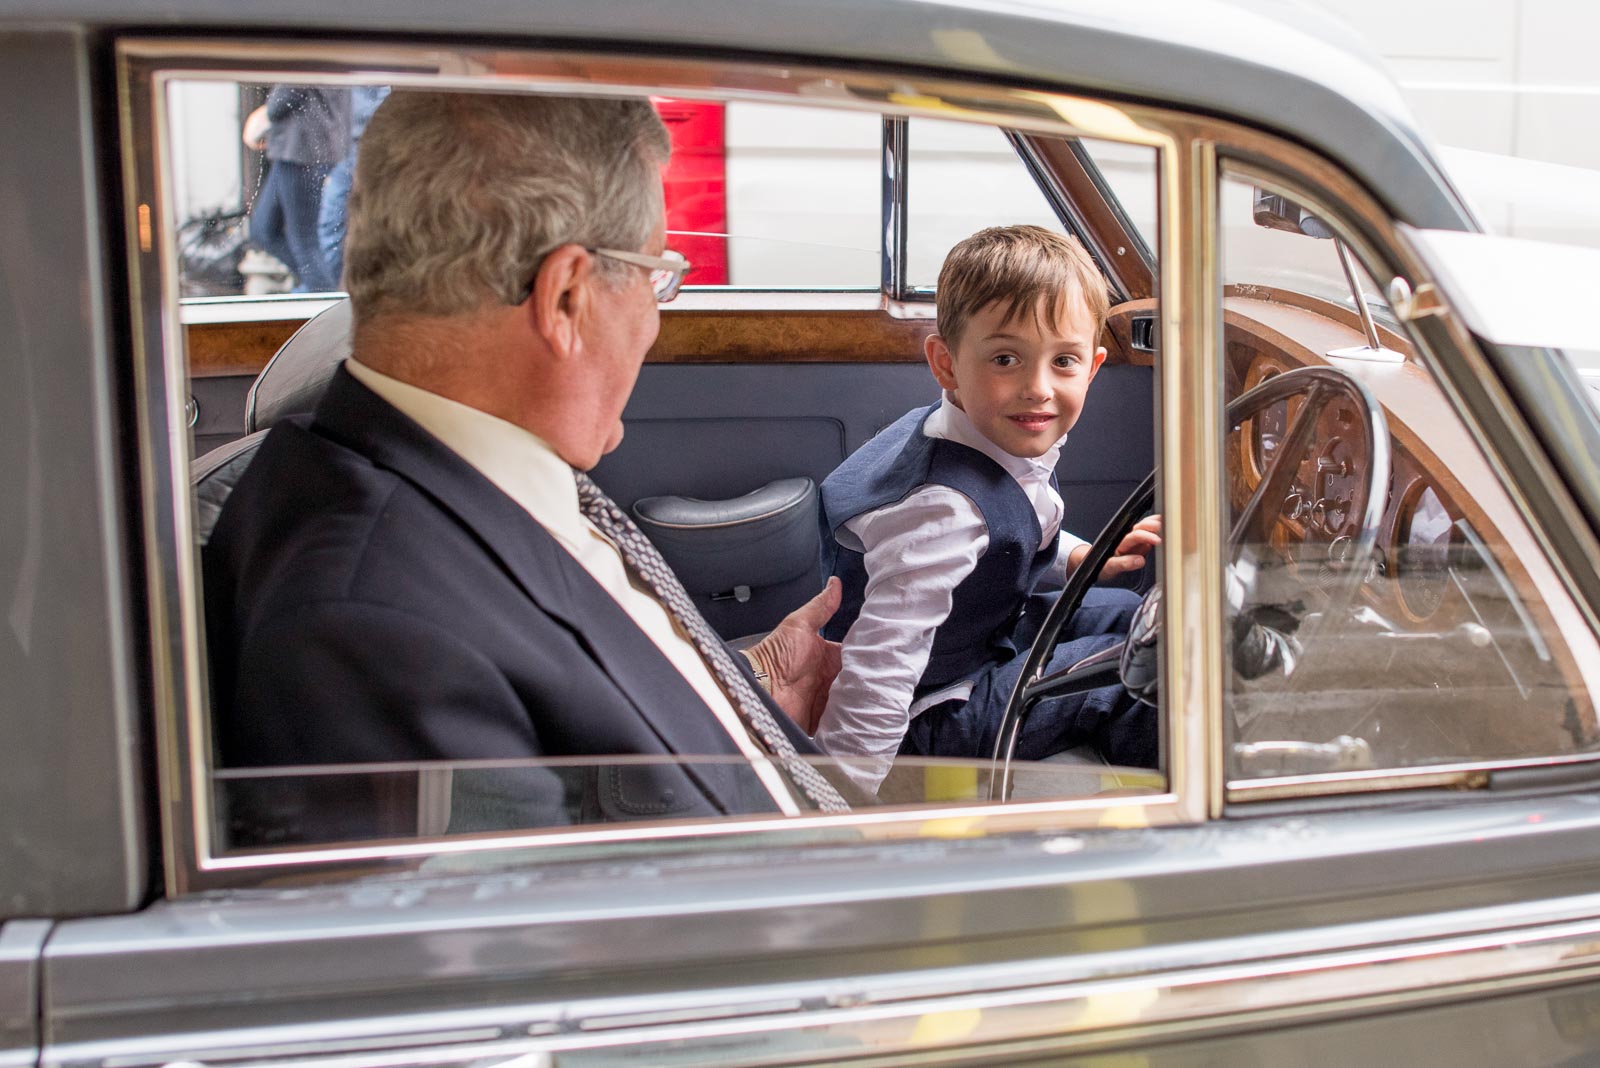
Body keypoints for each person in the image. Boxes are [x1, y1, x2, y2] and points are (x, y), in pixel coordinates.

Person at [205, 91, 850, 835]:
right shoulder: (373, 633)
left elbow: (579, 690)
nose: (654, 317)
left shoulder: (463, 475)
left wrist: (751, 683)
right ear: (567, 296)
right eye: (656, 276)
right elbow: (559, 941)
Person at [813, 225, 1161, 793]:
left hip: (979, 632)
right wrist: (839, 800)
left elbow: (1014, 522)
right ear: (946, 365)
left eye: (1064, 361)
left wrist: (1074, 555)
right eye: (1006, 359)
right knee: (1128, 674)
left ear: (1092, 367)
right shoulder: (943, 513)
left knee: (1128, 611)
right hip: (930, 714)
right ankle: (1163, 800)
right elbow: (883, 669)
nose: (1038, 388)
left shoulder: (979, 430)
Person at [243, 84, 350, 292]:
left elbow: (292, 85)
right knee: (263, 230)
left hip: (303, 149)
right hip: (293, 147)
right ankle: (316, 287)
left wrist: (266, 116)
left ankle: (323, 295)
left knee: (305, 242)